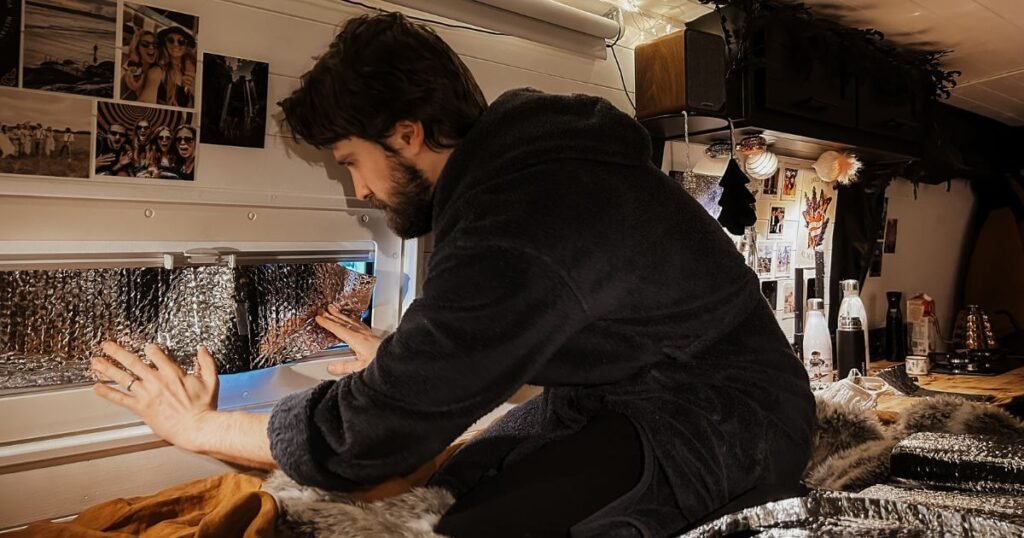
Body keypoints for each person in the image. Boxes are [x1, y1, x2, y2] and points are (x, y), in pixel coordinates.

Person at [90, 12, 815, 537]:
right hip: (622, 392)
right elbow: (508, 334)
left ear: (406, 133)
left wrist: (195, 424)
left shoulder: (520, 214)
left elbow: (371, 433)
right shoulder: (517, 176)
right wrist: (414, 364)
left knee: (476, 529)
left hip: (726, 417)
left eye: (351, 162)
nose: (361, 192)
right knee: (450, 481)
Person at [139, 26, 196, 107]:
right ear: (165, 43)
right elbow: (144, 106)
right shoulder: (157, 71)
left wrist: (195, 91)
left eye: (181, 41)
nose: (175, 44)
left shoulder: (191, 72)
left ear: (186, 46)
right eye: (170, 40)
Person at [121, 30, 159, 101]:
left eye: (155, 44)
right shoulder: (128, 73)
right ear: (137, 47)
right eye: (145, 44)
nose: (151, 47)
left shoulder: (157, 72)